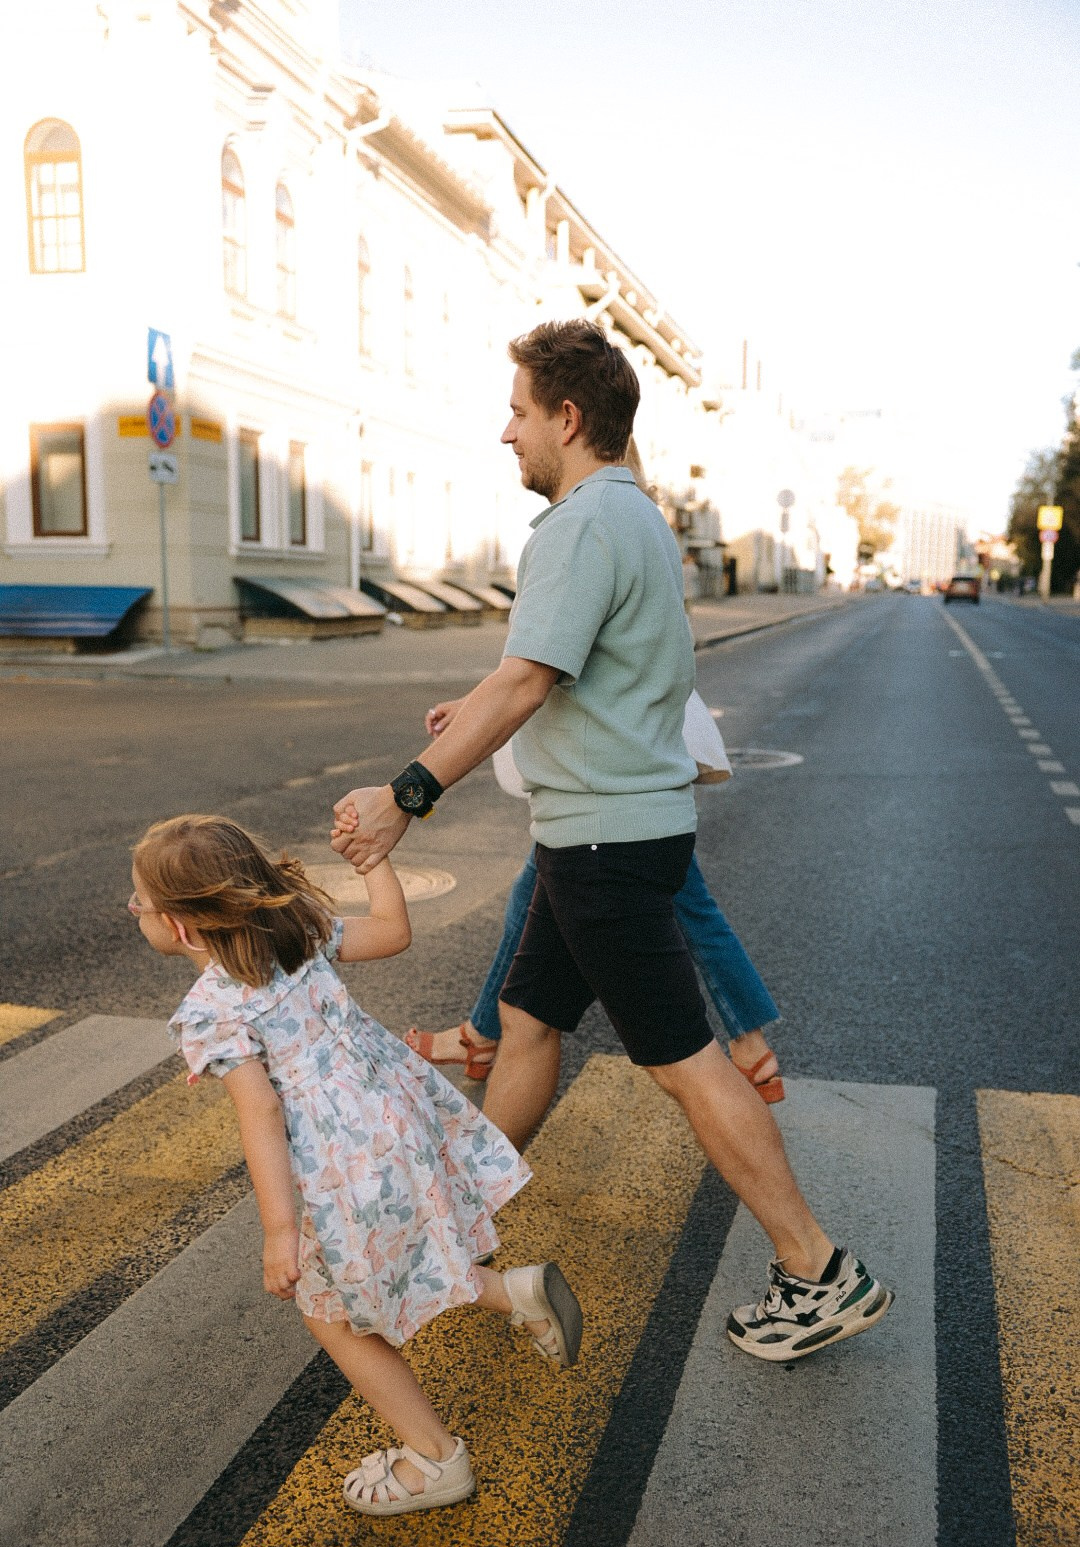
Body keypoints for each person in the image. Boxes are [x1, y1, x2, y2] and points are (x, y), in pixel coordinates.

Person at [332, 319, 893, 1363]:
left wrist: (409, 794)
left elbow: (531, 676)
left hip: (604, 847)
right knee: (526, 1021)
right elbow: (562, 676)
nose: (507, 433)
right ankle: (451, 1225)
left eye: (518, 411)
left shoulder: (582, 526)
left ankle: (817, 1266)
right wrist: (484, 706)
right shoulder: (633, 519)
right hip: (604, 835)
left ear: (568, 417)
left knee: (686, 1064)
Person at [130, 812, 583, 1516]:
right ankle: (511, 1293)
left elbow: (263, 1114)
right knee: (399, 1259)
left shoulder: (212, 1011)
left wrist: (281, 1231)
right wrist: (374, 863)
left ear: (182, 927)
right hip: (396, 1118)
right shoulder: (299, 932)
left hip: (341, 1162)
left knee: (334, 1314)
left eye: (140, 904)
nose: (135, 912)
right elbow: (393, 931)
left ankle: (435, 1460)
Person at [403, 846, 784, 1103]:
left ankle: (750, 1048)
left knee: (690, 909)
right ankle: (482, 1033)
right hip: (631, 783)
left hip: (609, 790)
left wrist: (416, 787)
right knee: (531, 888)